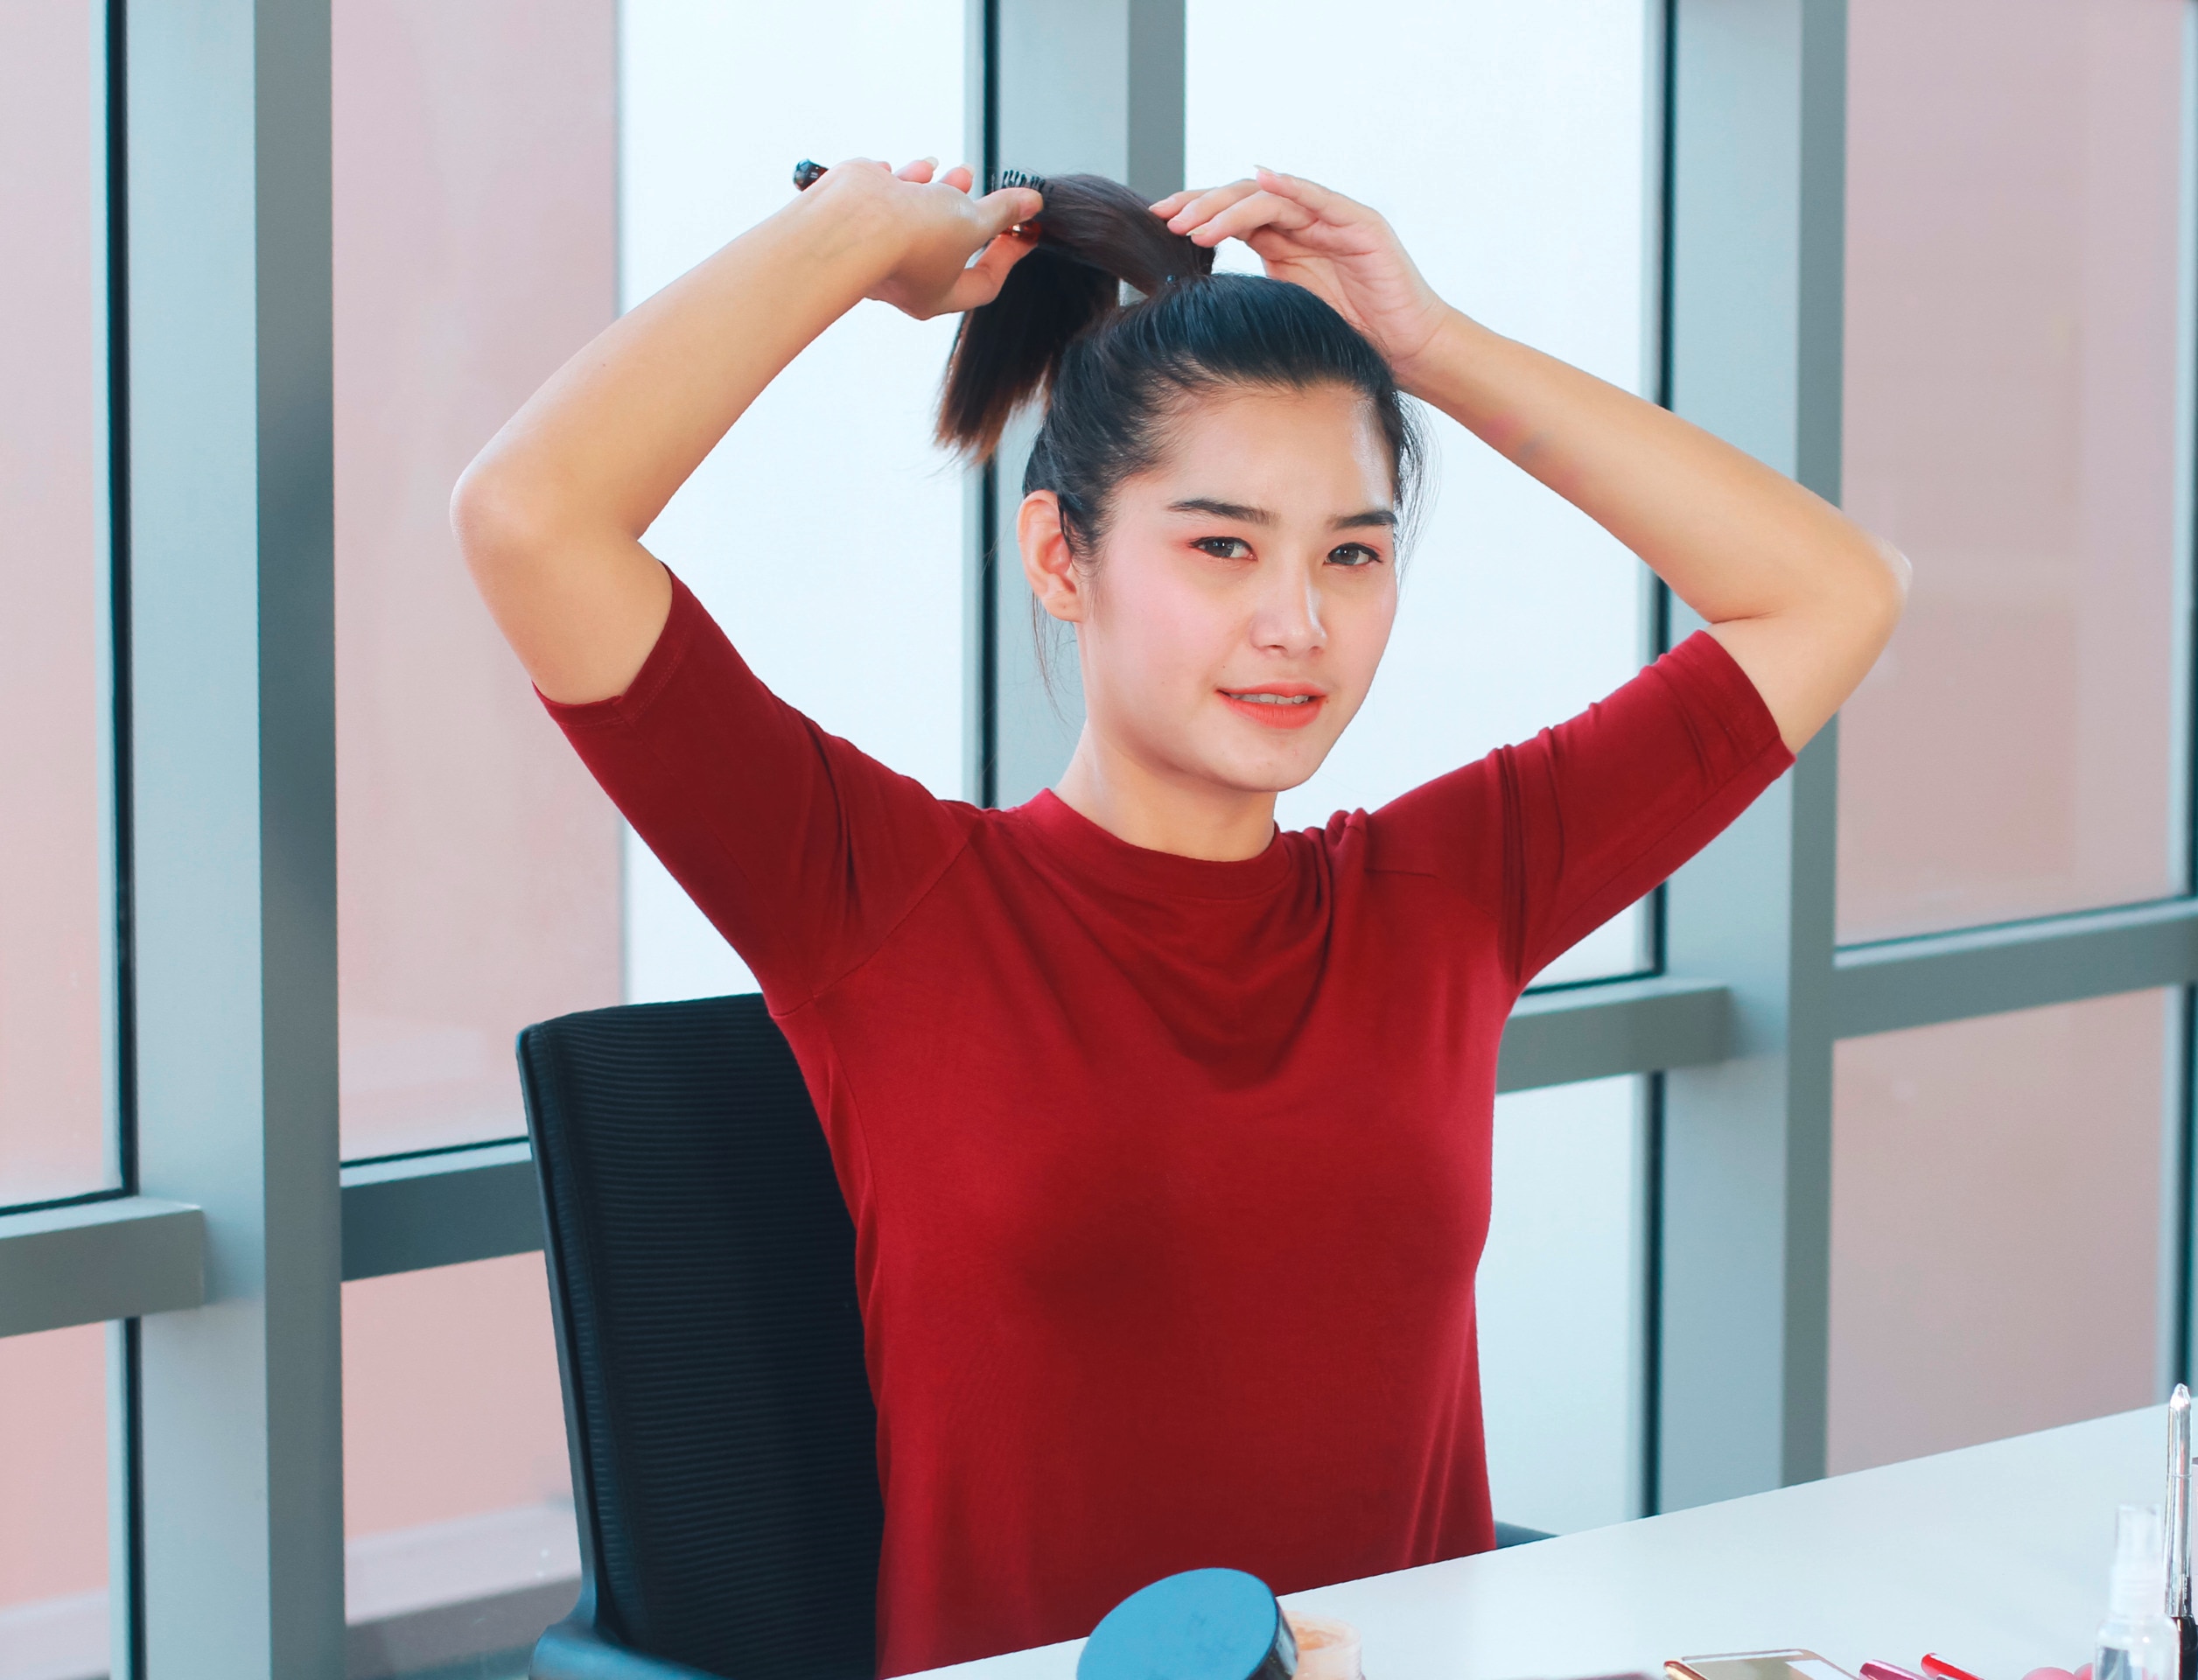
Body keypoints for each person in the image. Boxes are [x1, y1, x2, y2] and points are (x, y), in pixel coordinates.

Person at [452, 157, 1907, 1675]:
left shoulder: (1450, 894)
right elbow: (530, 516)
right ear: (1061, 558)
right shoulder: (877, 901)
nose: (1301, 623)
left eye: (1353, 551)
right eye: (1223, 546)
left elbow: (1833, 590)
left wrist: (1431, 347)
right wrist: (848, 239)